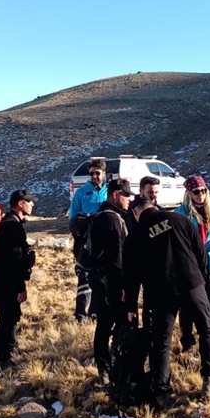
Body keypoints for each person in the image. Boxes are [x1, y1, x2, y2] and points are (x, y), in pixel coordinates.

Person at [123, 197, 210, 399]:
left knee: (161, 342)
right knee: (206, 330)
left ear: (135, 212)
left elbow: (132, 275)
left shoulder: (135, 236)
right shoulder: (179, 219)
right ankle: (209, 381)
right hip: (192, 284)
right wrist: (200, 278)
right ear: (154, 206)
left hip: (160, 293)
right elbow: (200, 251)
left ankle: (162, 389)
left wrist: (131, 305)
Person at [88, 178, 133, 383]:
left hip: (102, 281)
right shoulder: (111, 219)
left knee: (106, 326)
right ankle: (109, 370)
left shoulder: (104, 215)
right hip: (111, 284)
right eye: (126, 196)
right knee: (112, 325)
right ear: (115, 195)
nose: (129, 200)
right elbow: (116, 257)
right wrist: (123, 285)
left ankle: (110, 368)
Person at [174, 175, 210, 350]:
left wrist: (208, 247)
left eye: (203, 191)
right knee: (187, 305)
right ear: (189, 193)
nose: (200, 194)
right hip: (189, 266)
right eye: (196, 192)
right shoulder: (181, 214)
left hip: (209, 264)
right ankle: (187, 340)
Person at [0, 189, 36, 370]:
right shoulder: (12, 226)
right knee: (8, 318)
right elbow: (13, 261)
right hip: (7, 282)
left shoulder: (10, 223)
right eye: (29, 201)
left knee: (9, 317)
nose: (32, 204)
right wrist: (20, 285)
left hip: (4, 281)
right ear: (20, 203)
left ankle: (9, 353)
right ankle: (5, 359)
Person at [68, 158, 109, 321]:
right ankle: (80, 315)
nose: (94, 176)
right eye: (91, 173)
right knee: (84, 279)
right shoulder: (81, 193)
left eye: (97, 173)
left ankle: (95, 312)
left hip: (105, 244)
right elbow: (73, 220)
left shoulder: (110, 191)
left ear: (104, 173)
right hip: (85, 244)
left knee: (101, 279)